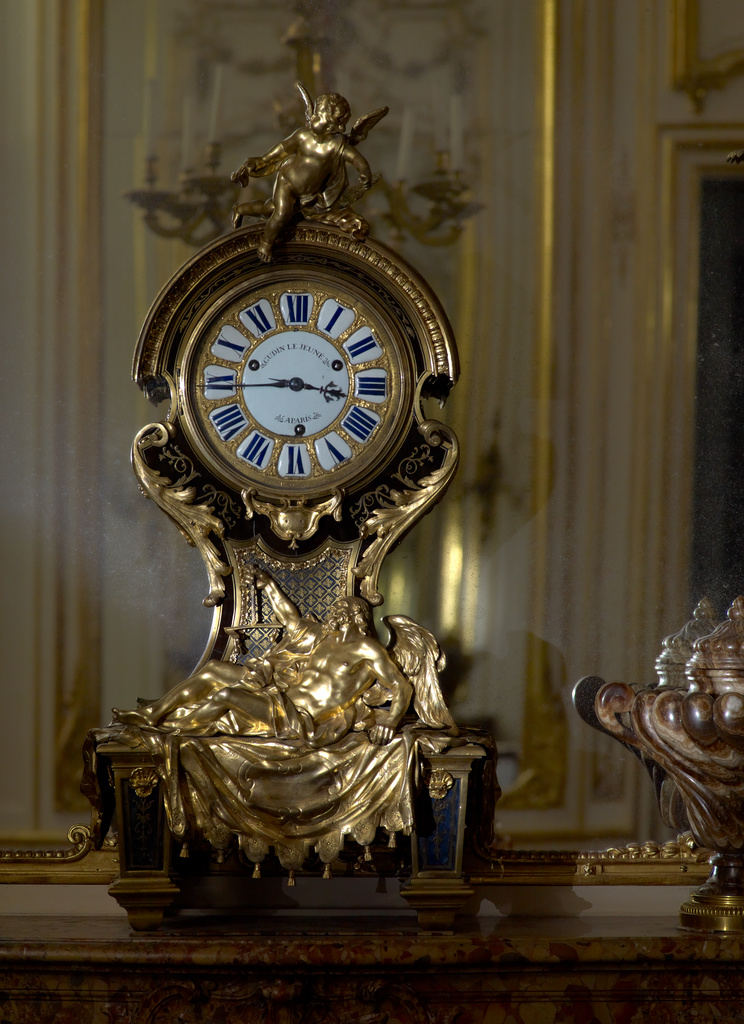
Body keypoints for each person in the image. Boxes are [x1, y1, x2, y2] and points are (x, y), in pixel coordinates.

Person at [113, 570, 412, 748]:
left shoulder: (367, 649)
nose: (335, 611)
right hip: (279, 694)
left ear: (356, 615)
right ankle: (154, 714)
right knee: (214, 669)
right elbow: (291, 620)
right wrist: (268, 586)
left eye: (342, 608)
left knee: (227, 696)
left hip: (297, 717)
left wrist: (391, 720)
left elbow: (401, 686)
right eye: (335, 609)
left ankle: (171, 727)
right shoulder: (324, 638)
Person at [230, 89, 380, 261]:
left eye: (318, 115)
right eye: (314, 113)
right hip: (287, 183)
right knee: (281, 214)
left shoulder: (337, 146)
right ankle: (266, 244)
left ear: (334, 124)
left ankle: (240, 209)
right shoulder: (303, 136)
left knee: (269, 209)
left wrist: (365, 174)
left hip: (310, 196)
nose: (313, 116)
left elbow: (357, 159)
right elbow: (282, 149)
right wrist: (263, 160)